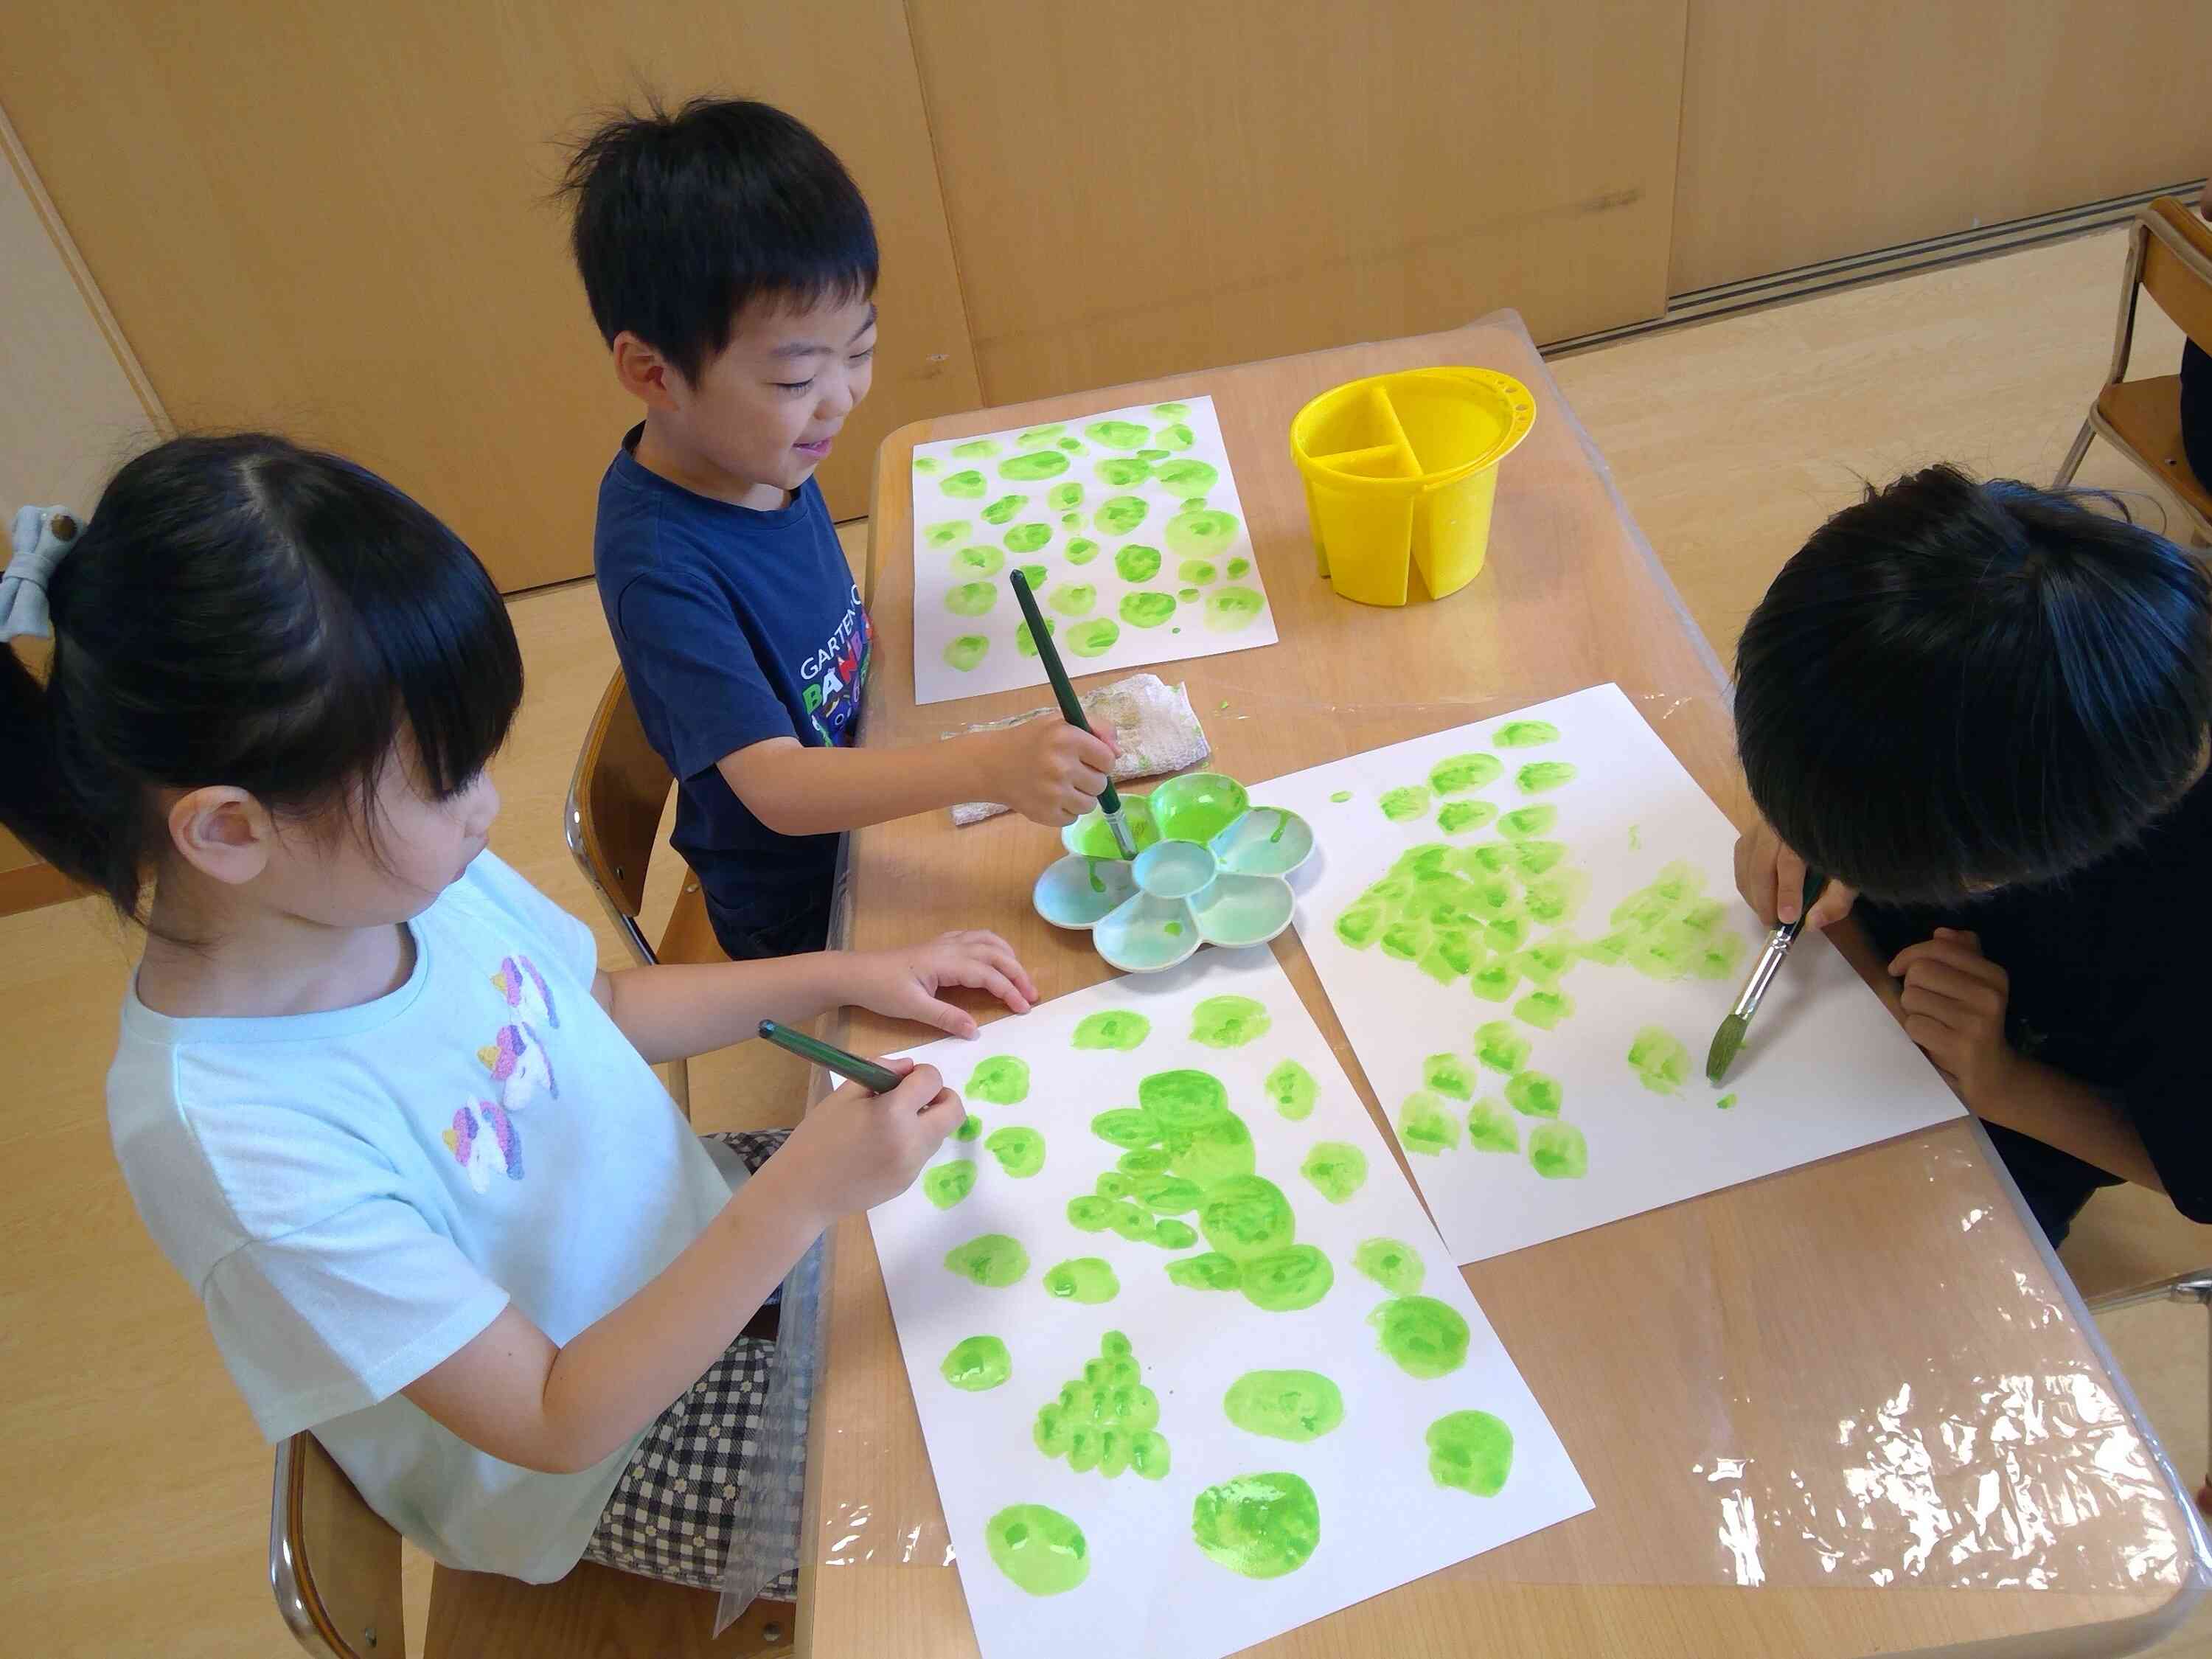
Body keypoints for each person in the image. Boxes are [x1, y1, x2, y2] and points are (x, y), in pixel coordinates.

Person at [0, 435, 1037, 1595]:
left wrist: (841, 975)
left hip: (686, 1225)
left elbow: (599, 1006)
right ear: (231, 829)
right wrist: (804, 1186)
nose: (487, 809)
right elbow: (553, 1415)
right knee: (992, 1508)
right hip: (601, 1444)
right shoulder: (229, 1135)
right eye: (442, 781)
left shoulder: (387, 878)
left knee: (1032, 1247)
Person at [563, 97, 1117, 961]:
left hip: (870, 777)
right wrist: (983, 768)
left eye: (858, 352)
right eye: (794, 380)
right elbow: (778, 788)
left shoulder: (760, 451)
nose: (841, 400)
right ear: (652, 372)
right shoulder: (662, 564)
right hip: (801, 904)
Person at [1731, 465, 2212, 1247]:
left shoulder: (2183, 942)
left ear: (1998, 869)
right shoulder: (1992, 587)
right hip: (1901, 1001)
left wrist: (2002, 1083)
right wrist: (1806, 819)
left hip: (2029, 1093)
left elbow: (2194, 1176)